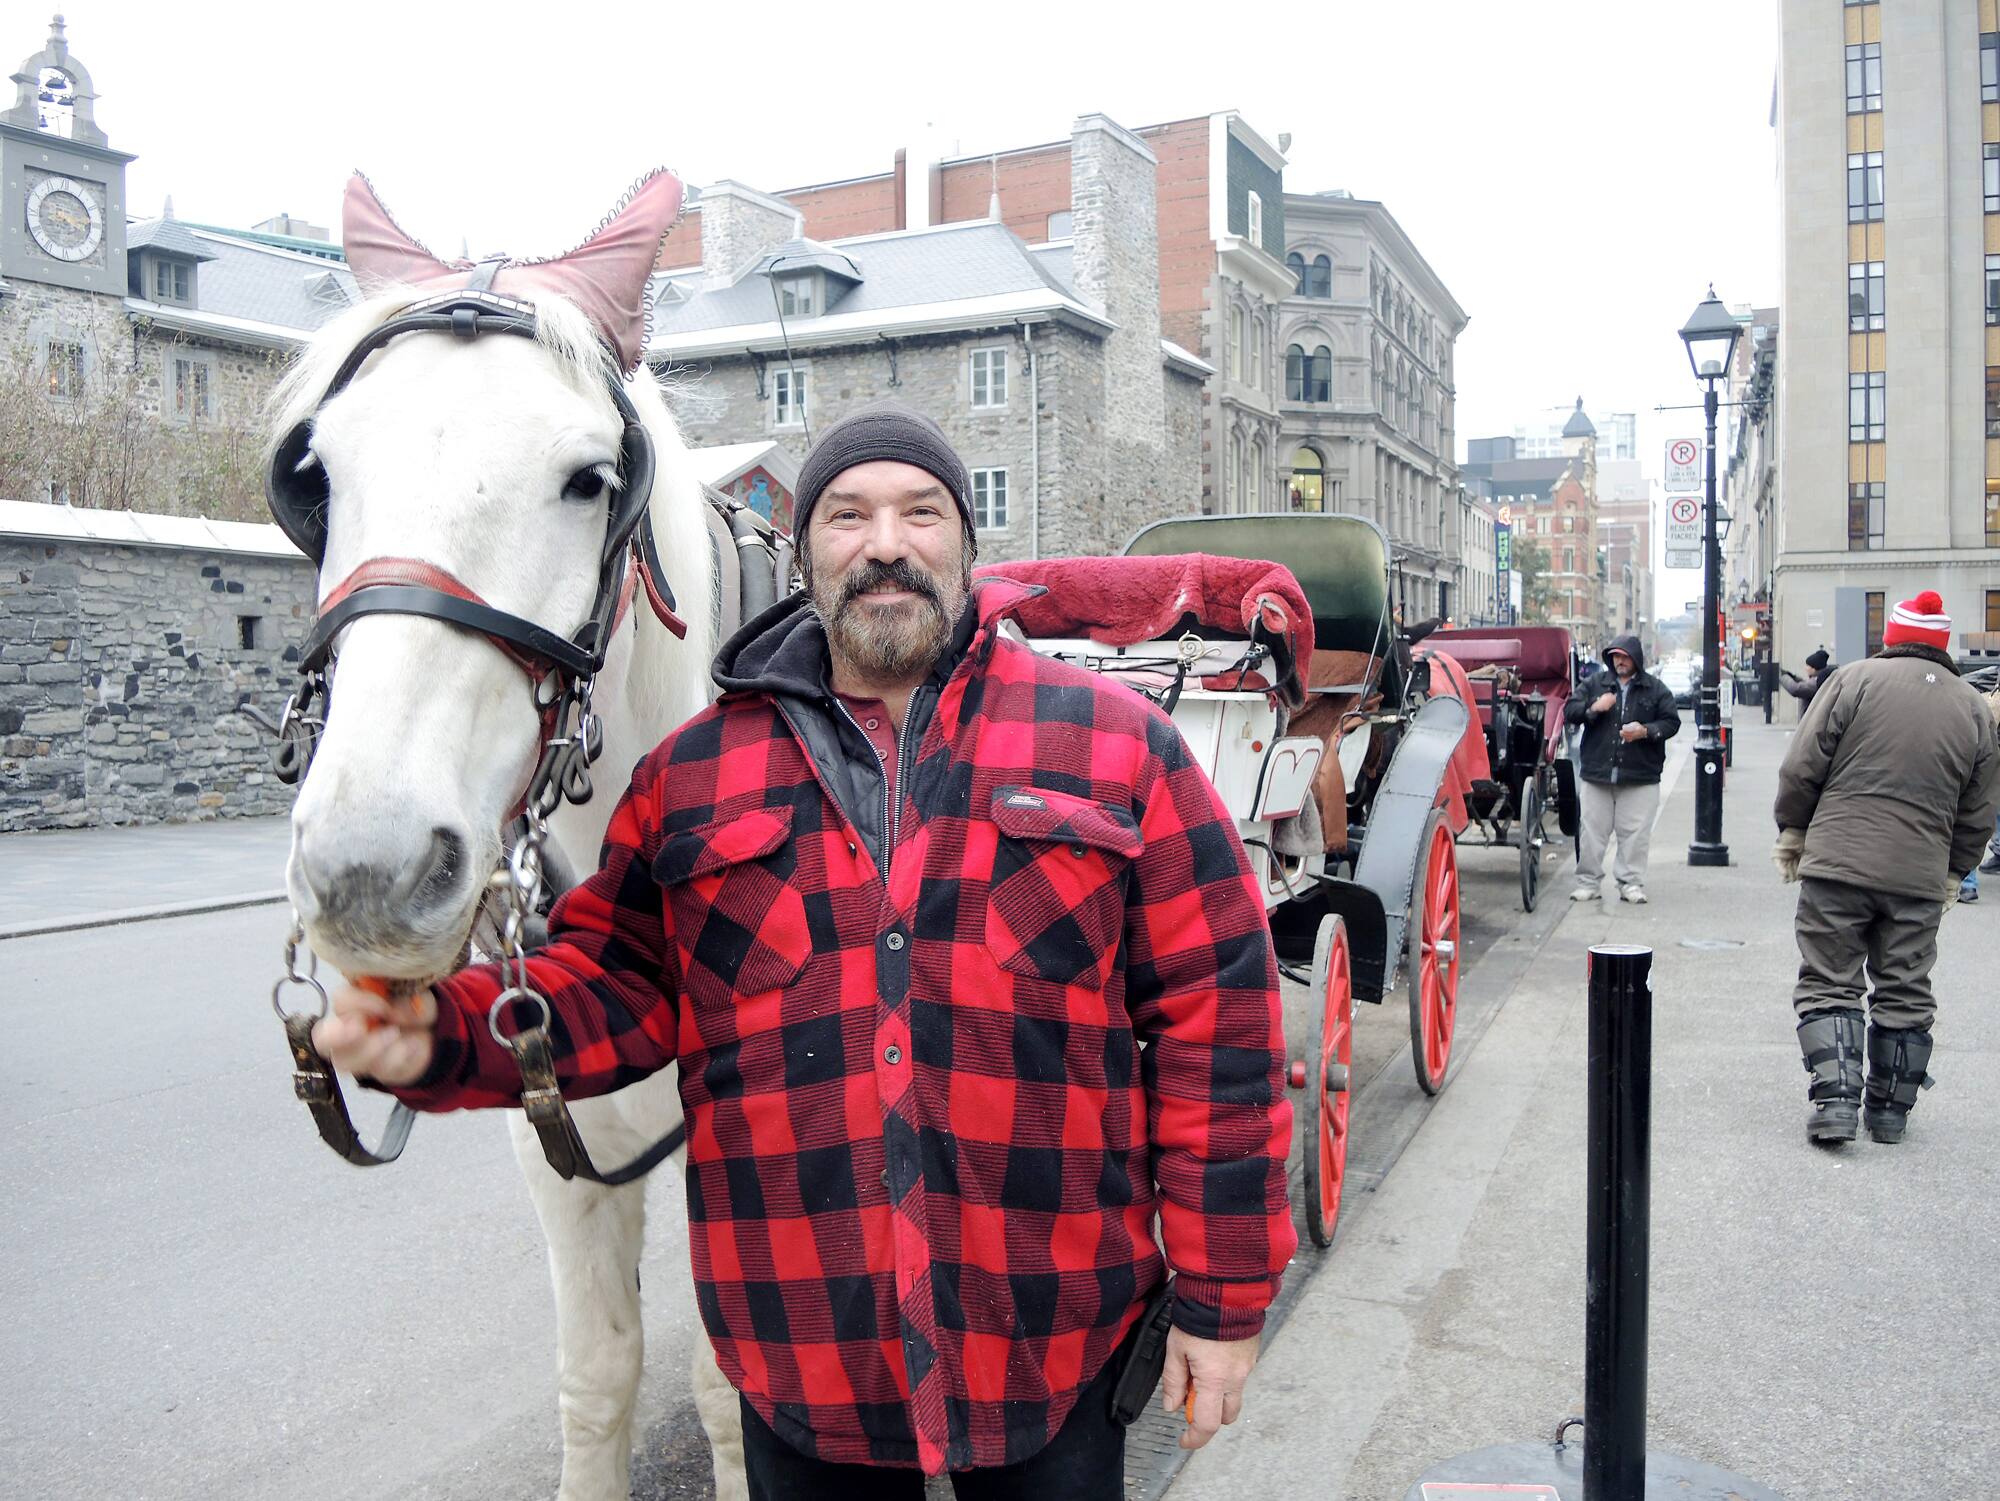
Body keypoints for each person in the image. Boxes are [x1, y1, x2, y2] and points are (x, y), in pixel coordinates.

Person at [310, 402, 1298, 1497]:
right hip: (801, 1357)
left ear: (965, 548)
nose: (885, 543)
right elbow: (613, 985)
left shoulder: (1116, 749)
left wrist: (1220, 1302)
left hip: (1051, 1343)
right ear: (802, 554)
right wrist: (441, 1035)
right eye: (847, 515)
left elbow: (1222, 1029)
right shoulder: (692, 778)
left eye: (920, 512)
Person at [1773, 590, 2000, 1146]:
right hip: (1918, 876)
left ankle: (1836, 1101)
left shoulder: (1851, 681)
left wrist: (1794, 830)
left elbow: (1803, 765)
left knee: (1829, 981)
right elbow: (1979, 808)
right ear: (1943, 647)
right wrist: (1954, 870)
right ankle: (1889, 1113)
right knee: (1904, 987)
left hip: (1839, 864)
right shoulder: (1971, 706)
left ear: (1891, 640)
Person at [1563, 634, 1682, 904]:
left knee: (1636, 834)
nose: (1620, 661)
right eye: (1616, 656)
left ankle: (1630, 883)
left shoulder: (1655, 689)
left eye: (1625, 657)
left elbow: (1671, 722)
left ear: (1636, 660)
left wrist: (1645, 731)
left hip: (1640, 776)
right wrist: (1595, 707)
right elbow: (1570, 710)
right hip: (1597, 773)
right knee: (1592, 832)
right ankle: (1588, 882)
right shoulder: (1595, 684)